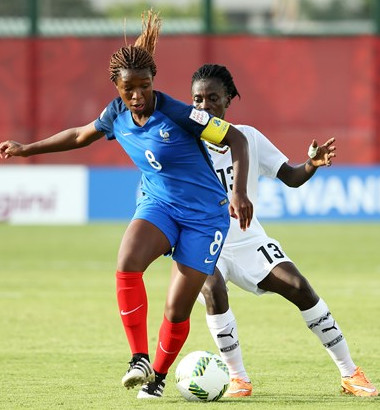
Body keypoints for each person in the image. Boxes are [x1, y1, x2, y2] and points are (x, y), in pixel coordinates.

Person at [0, 14, 254, 400]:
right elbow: (80, 135)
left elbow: (236, 138)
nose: (137, 96)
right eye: (129, 89)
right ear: (116, 87)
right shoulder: (116, 113)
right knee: (127, 261)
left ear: (154, 81)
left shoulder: (180, 113)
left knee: (175, 310)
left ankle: (158, 377)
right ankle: (138, 358)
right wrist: (26, 149)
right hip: (159, 205)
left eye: (144, 86)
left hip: (206, 217)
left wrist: (238, 191)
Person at [186, 63, 377, 398]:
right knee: (213, 289)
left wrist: (311, 165)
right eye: (197, 100)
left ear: (228, 99)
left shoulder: (250, 137)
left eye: (212, 98)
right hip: (205, 242)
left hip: (249, 239)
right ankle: (238, 378)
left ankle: (350, 373)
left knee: (300, 287)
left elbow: (289, 176)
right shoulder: (185, 143)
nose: (204, 107)